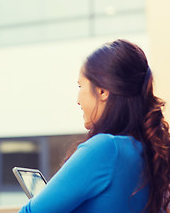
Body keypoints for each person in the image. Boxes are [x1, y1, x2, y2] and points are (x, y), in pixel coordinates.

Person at [19, 39, 170, 213]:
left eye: (80, 86)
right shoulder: (146, 150)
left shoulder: (107, 148)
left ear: (102, 91)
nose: (78, 100)